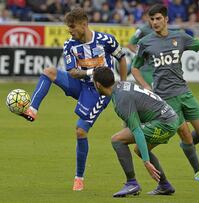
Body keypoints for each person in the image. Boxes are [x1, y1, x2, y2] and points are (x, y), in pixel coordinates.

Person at [21, 7, 128, 191]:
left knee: (80, 131)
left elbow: (122, 59)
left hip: (100, 91)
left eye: (72, 27)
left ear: (84, 24)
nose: (70, 30)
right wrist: (91, 72)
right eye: (68, 27)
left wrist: (123, 85)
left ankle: (79, 177)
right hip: (81, 84)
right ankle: (32, 109)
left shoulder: (105, 40)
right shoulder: (70, 45)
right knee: (49, 72)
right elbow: (72, 72)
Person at [131, 4, 199, 181]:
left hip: (184, 92)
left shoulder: (179, 36)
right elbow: (135, 68)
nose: (155, 22)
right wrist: (145, 86)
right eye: (152, 19)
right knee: (185, 132)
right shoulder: (145, 42)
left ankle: (186, 147)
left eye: (158, 18)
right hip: (165, 97)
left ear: (166, 19)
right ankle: (198, 170)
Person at [93, 66, 180, 197]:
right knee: (138, 148)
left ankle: (131, 183)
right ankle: (165, 185)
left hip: (164, 123)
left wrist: (146, 162)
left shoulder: (121, 98)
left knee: (117, 140)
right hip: (170, 118)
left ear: (98, 84)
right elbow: (132, 120)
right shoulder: (121, 86)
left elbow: (137, 130)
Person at [126, 14, 154, 87]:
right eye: (152, 18)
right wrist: (141, 53)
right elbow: (130, 44)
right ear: (148, 18)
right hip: (145, 67)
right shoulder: (142, 30)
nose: (154, 21)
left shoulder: (160, 29)